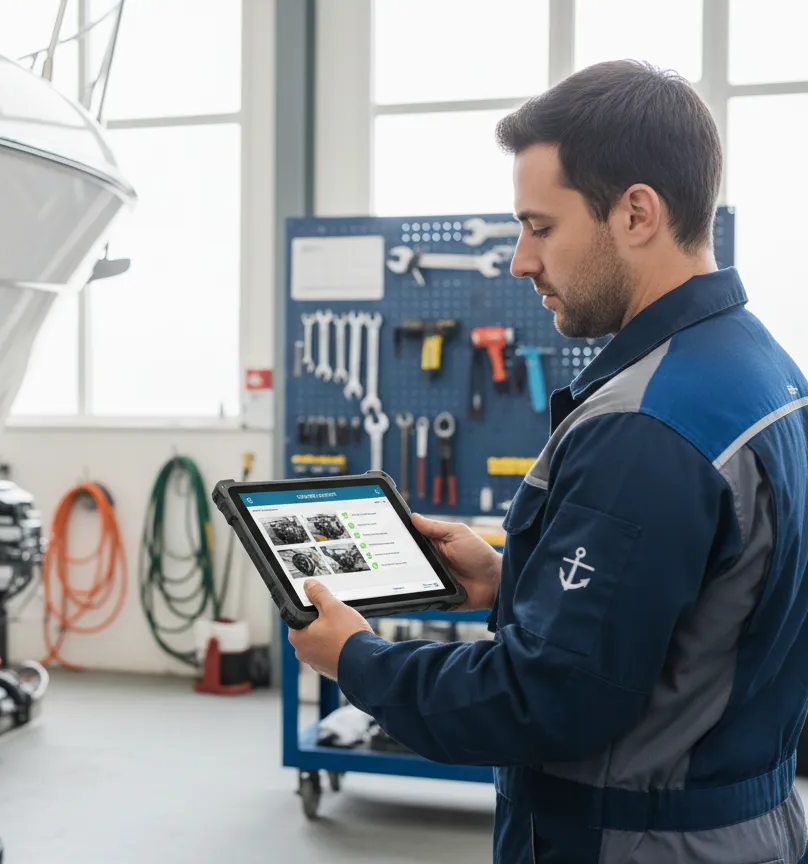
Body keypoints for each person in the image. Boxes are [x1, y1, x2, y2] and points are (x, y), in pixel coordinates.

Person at [289, 59, 808, 863]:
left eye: (540, 226)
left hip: (632, 843)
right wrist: (506, 582)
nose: (519, 261)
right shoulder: (763, 369)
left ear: (636, 213)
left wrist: (358, 658)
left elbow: (542, 700)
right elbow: (699, 614)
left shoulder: (647, 425)